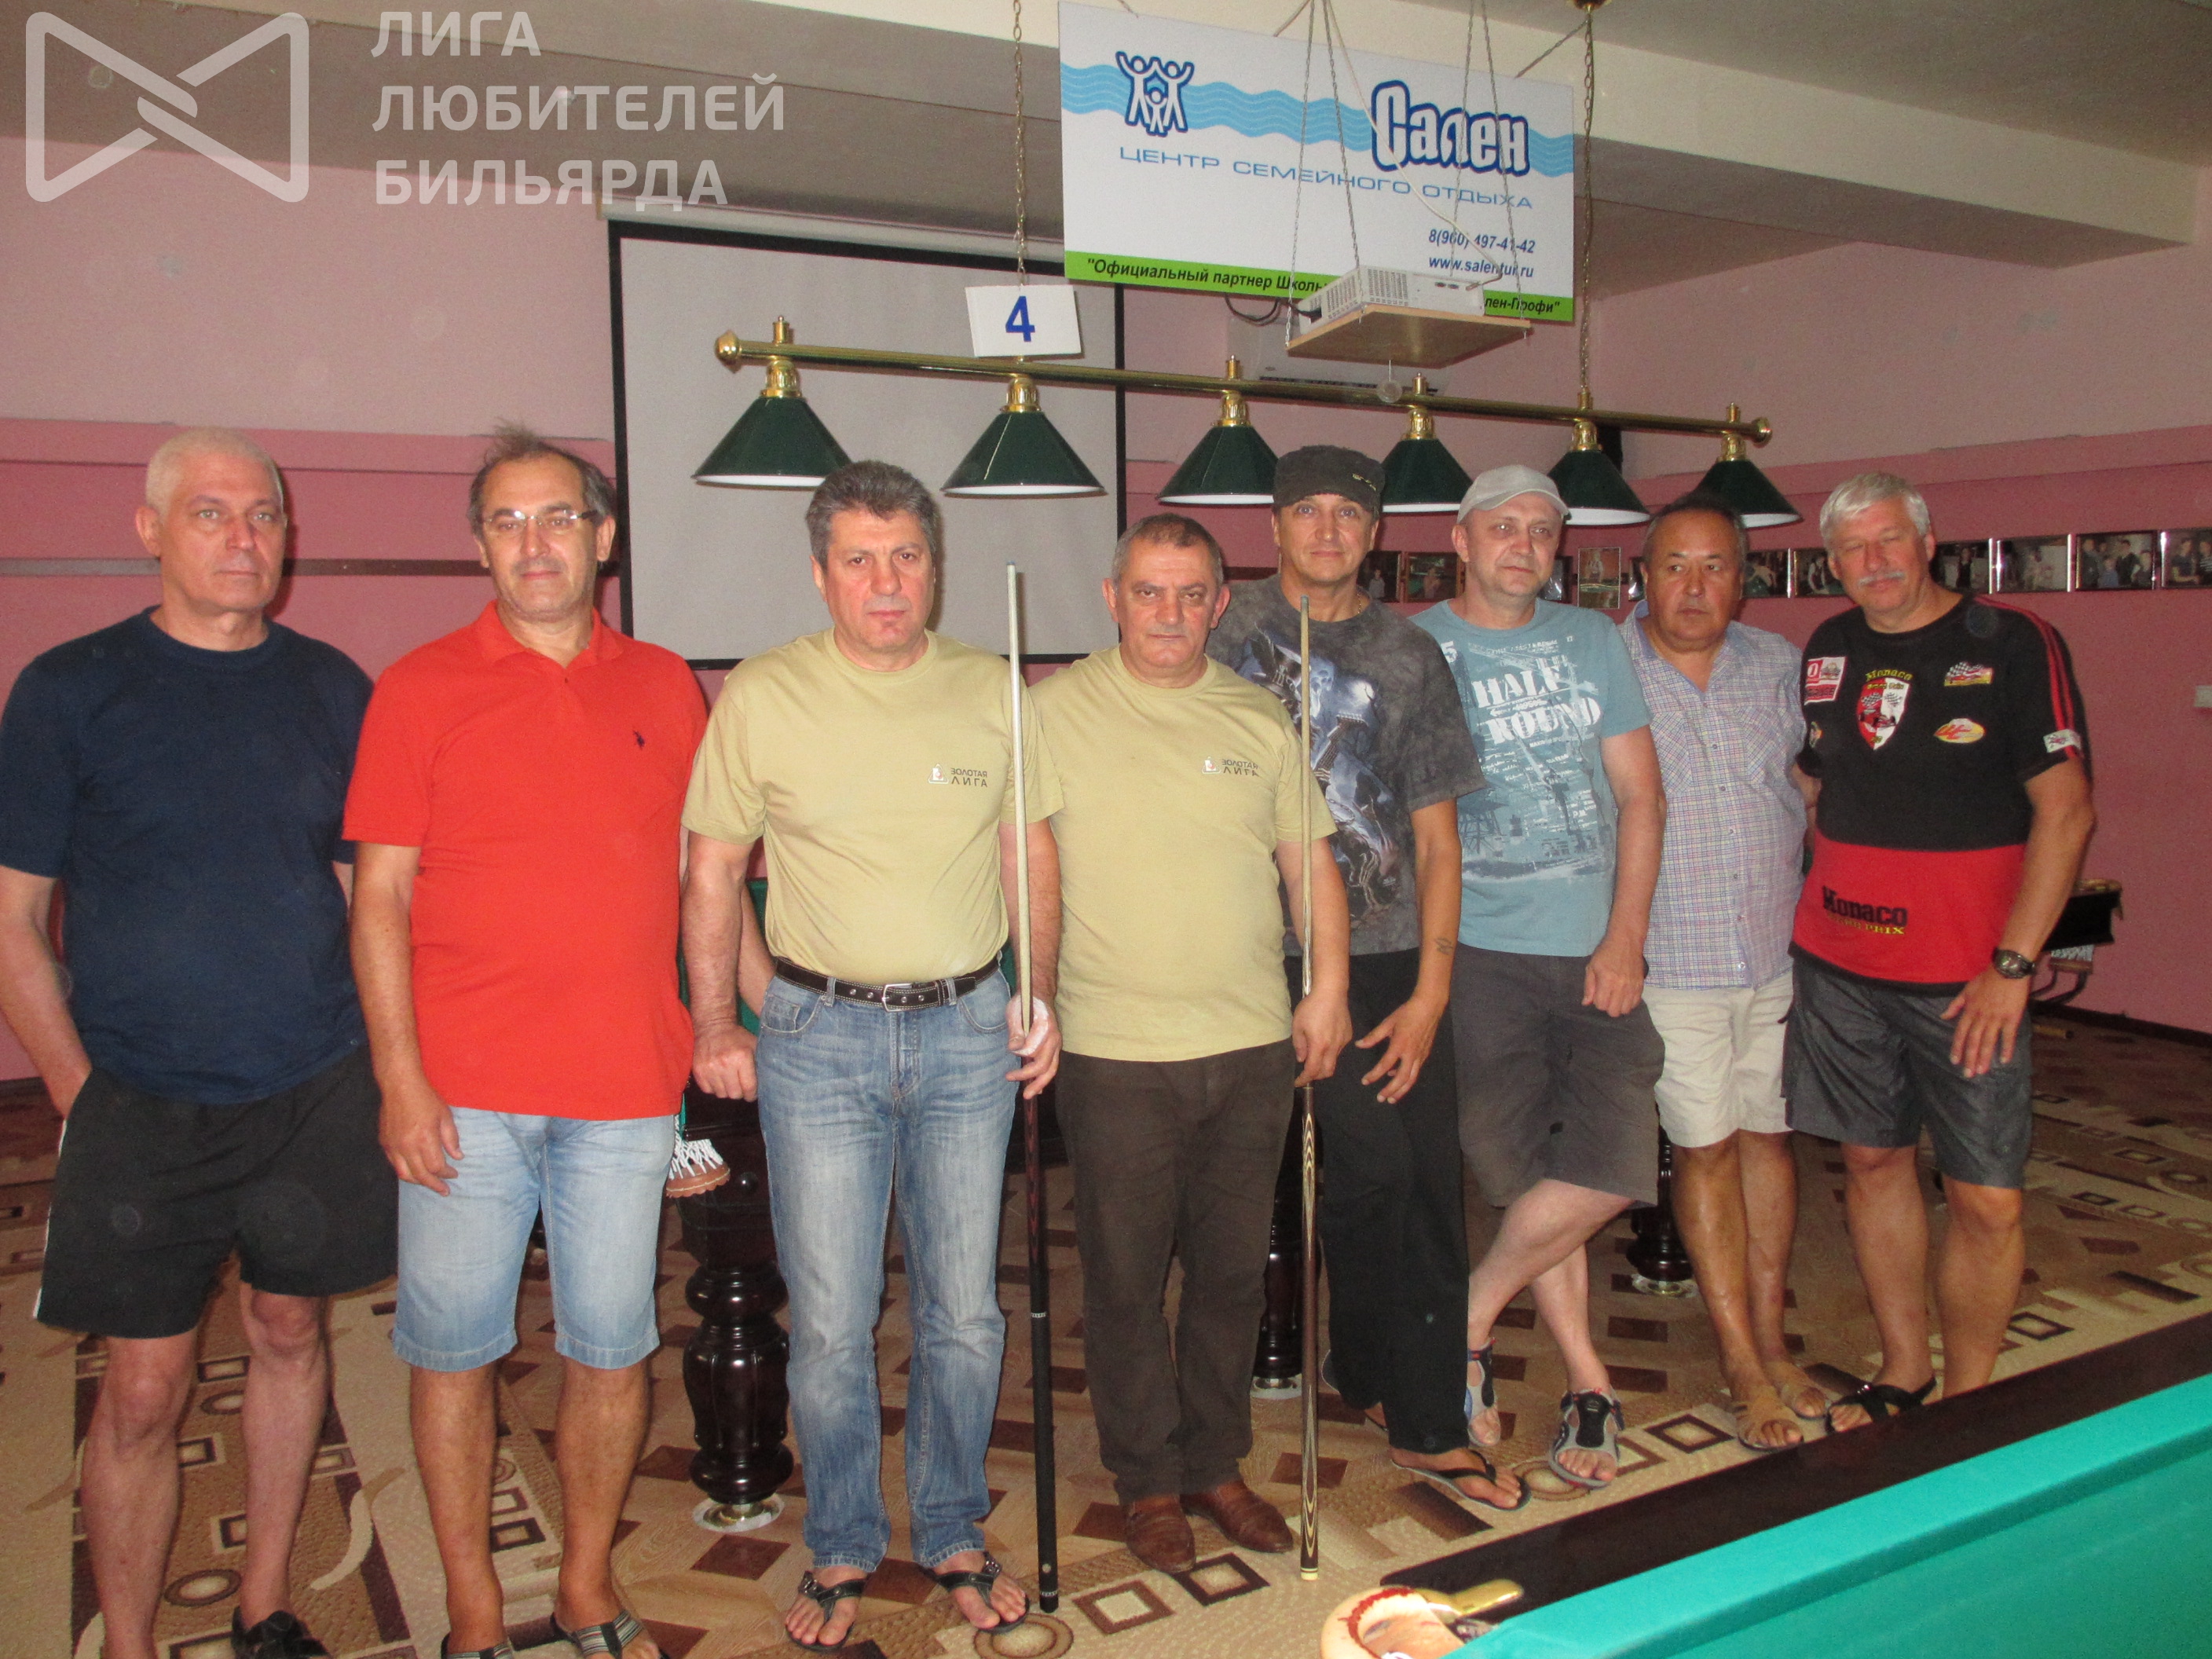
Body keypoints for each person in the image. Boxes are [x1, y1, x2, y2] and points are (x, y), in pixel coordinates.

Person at [0, 429, 391, 1659]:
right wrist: (79, 1091)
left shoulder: (335, 689)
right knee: (143, 1389)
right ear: (150, 531)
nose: (244, 537)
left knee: (290, 1334)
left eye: (263, 515)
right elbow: (13, 918)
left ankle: (264, 1603)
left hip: (312, 1080)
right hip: (139, 1096)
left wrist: (392, 1063)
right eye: (211, 513)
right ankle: (128, 1642)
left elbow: (368, 900)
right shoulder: (68, 690)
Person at [682, 460, 1054, 1650]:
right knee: (835, 1320)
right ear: (820, 573)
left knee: (965, 1316)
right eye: (859, 560)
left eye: (905, 557)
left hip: (965, 1031)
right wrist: (720, 1022)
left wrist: (1037, 992)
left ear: (934, 569)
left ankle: (950, 1526)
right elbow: (711, 869)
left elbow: (1028, 854)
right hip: (820, 1039)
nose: (885, 582)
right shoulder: (763, 693)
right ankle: (842, 1537)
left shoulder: (991, 687)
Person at [347, 428, 705, 1659]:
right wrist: (399, 1080)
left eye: (558, 517)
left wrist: (732, 1021)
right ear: (480, 545)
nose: (534, 543)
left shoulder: (666, 683)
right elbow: (378, 901)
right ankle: (474, 1609)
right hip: (463, 1096)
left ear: (603, 536)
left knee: (611, 1349)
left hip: (624, 1091)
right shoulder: (417, 688)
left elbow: (701, 879)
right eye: (507, 521)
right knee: (454, 1356)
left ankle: (588, 1585)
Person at [1036, 512, 1352, 1571]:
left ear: (1220, 603)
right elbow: (1018, 866)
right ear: (1112, 598)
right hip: (1114, 1053)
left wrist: (1329, 989)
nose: (1168, 613)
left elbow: (1308, 864)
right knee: (1126, 1283)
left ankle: (1215, 1464)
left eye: (1189, 594)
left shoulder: (1258, 715)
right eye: (1147, 591)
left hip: (1251, 1047)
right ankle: (1147, 1481)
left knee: (1229, 1277)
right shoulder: (1048, 714)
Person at [1207, 449, 1518, 1508]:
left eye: (1349, 513)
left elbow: (1437, 842)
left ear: (1376, 533)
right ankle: (1346, 1368)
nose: (1329, 530)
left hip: (1385, 955)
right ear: (1275, 525)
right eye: (1307, 511)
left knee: (1411, 1180)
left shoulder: (1407, 654)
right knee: (1296, 1183)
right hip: (1242, 951)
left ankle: (1421, 1412)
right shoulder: (1222, 629)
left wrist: (1431, 996)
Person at [1789, 473, 2094, 1431]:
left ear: (1926, 543)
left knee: (1984, 1197)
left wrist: (2011, 968)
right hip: (1839, 964)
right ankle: (1901, 1368)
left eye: (1887, 540)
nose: (1871, 562)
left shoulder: (2011, 642)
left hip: (1966, 981)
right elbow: (1815, 780)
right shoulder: (1827, 647)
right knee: (1871, 1165)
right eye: (1849, 548)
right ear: (1830, 563)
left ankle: (1968, 1399)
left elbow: (2065, 813)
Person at [1413, 463, 1668, 1489]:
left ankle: (1466, 1321)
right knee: (1524, 1180)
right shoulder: (1418, 649)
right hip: (1476, 956)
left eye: (1541, 530)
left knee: (1614, 1163)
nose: (1523, 545)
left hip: (1594, 951)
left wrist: (1625, 936)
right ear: (1461, 540)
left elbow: (1640, 797)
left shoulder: (1592, 640)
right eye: (1502, 526)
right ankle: (1589, 1381)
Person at [1619, 492, 1822, 1450]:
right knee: (1703, 1149)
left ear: (1742, 581)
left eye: (1713, 568)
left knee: (1769, 1142)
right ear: (1642, 577)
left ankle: (1774, 1344)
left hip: (1775, 951)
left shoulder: (1779, 667)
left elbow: (1811, 786)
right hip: (1670, 959)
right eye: (1674, 566)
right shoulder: (1604, 667)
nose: (1693, 587)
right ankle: (1741, 1362)